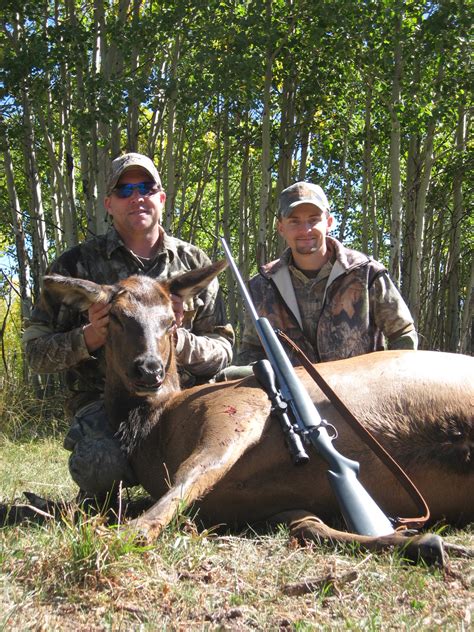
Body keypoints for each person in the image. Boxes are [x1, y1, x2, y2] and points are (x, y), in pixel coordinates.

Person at [23, 152, 234, 500]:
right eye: (124, 191)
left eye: (147, 188)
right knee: (100, 467)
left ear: (161, 198)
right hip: (106, 405)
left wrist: (177, 341)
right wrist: (88, 338)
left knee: (221, 466)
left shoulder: (193, 262)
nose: (137, 197)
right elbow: (35, 355)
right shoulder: (76, 265)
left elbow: (224, 350)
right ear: (108, 203)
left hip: (182, 401)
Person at [237, 181, 417, 366]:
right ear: (281, 227)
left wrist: (388, 380)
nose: (305, 230)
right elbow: (252, 351)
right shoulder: (263, 286)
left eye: (313, 219)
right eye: (294, 221)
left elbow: (402, 334)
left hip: (360, 392)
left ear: (329, 222)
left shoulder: (366, 273)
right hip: (289, 393)